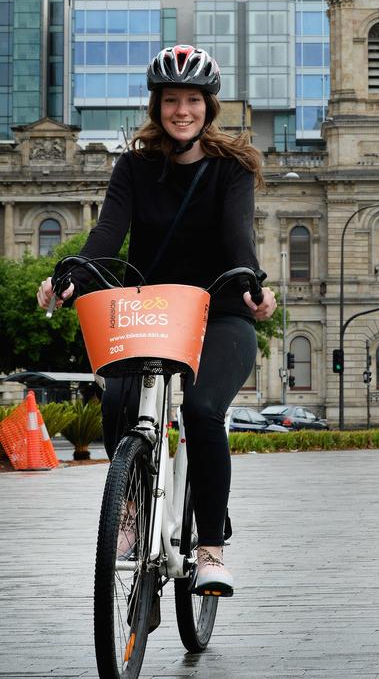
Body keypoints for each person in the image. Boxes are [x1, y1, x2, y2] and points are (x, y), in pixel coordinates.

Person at [37, 44, 276, 597]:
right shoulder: (136, 167)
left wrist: (251, 284)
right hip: (147, 310)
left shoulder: (231, 168)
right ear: (157, 106)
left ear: (208, 106)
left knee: (201, 408)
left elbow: (239, 235)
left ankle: (211, 546)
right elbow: (105, 236)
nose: (182, 110)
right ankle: (128, 515)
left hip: (217, 311)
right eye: (172, 100)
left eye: (193, 99)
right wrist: (71, 275)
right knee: (119, 398)